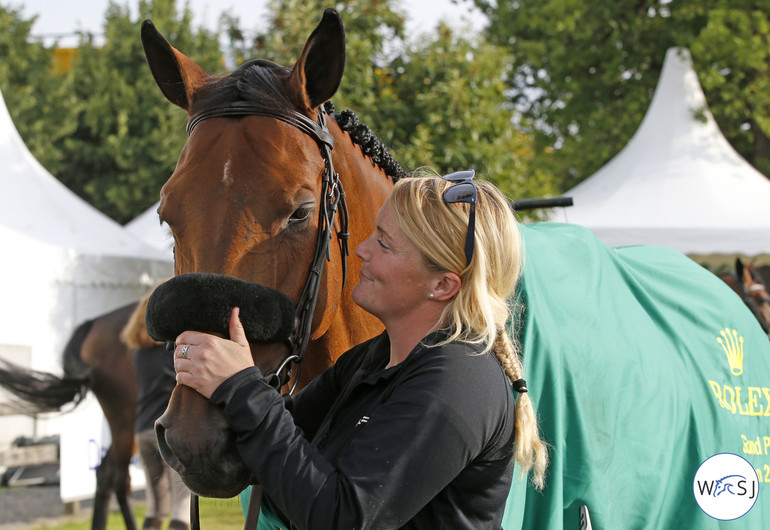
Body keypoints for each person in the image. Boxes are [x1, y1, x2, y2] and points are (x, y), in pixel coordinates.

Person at [172, 169, 548, 529]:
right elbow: (283, 445)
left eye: (384, 243)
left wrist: (241, 386)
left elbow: (341, 518)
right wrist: (212, 381)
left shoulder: (458, 382)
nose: (363, 250)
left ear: (443, 285)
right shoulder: (375, 358)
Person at [121, 292, 191, 530]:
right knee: (182, 508)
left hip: (143, 430)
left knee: (155, 507)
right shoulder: (170, 347)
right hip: (168, 430)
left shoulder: (137, 352)